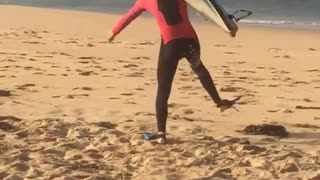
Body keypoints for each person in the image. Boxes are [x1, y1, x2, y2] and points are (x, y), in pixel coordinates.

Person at [108, 0, 240, 144]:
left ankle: (161, 134)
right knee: (199, 68)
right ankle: (219, 102)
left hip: (170, 46)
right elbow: (207, 8)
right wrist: (228, 26)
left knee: (163, 88)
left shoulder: (144, 1)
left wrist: (114, 32)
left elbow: (129, 16)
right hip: (190, 43)